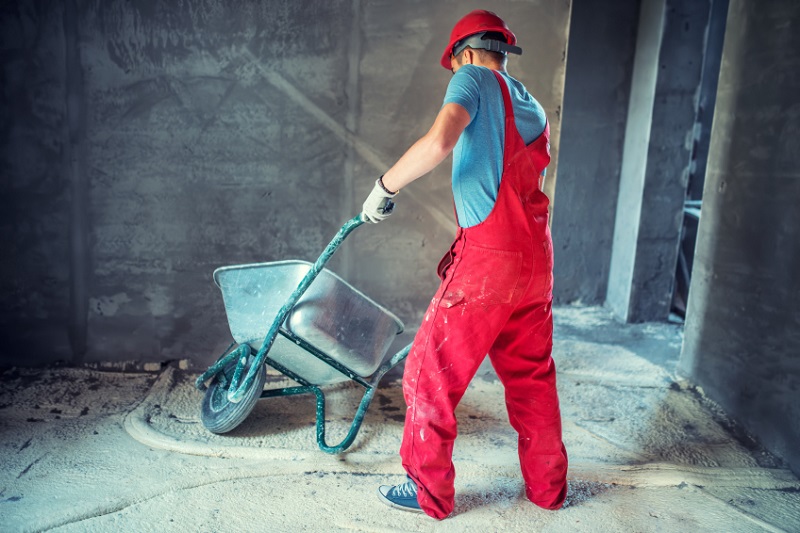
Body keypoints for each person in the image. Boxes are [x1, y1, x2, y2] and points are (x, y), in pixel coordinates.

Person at [362, 9, 568, 520]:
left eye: (455, 65)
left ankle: (428, 492)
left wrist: (384, 186)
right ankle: (549, 491)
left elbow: (440, 141)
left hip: (489, 260)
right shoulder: (534, 106)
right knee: (532, 377)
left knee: (429, 370)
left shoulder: (473, 78)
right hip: (536, 260)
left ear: (467, 54)